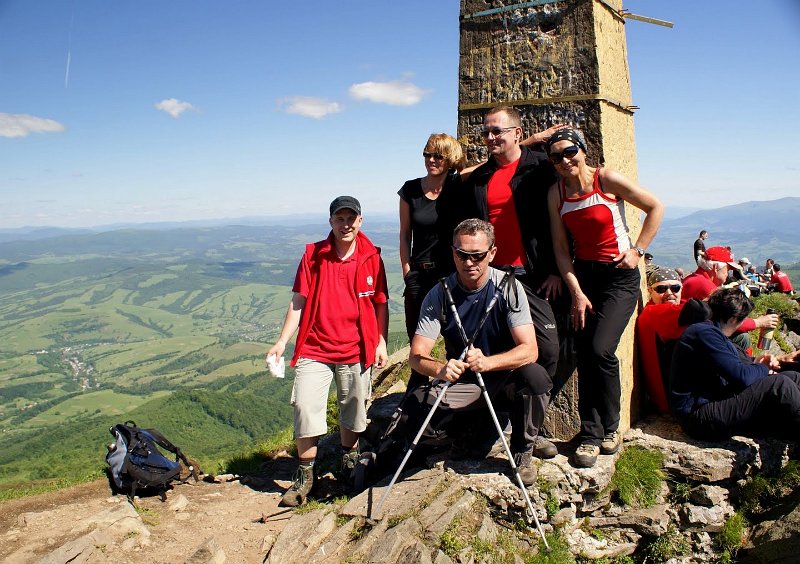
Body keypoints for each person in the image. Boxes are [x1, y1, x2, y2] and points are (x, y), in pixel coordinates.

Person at [546, 127, 664, 468]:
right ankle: (590, 434)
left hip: (619, 278)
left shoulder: (605, 180)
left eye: (570, 151)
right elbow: (560, 249)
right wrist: (576, 292)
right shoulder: (556, 193)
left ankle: (610, 429)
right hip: (584, 277)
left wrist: (638, 250)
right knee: (585, 352)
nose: (565, 160)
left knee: (601, 349)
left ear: (583, 150)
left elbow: (655, 206)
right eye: (556, 157)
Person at [407, 219, 556, 485]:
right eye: (462, 254)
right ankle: (475, 430)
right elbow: (416, 356)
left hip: (505, 378)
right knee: (418, 419)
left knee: (535, 378)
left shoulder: (508, 287)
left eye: (477, 255)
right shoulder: (440, 293)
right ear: (453, 253)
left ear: (492, 253)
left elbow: (530, 350)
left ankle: (522, 449)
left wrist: (488, 363)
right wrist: (440, 369)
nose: (469, 262)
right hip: (465, 381)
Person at [267, 196, 389, 506]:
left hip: (356, 348)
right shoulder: (313, 255)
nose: (346, 224)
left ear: (360, 221)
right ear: (331, 221)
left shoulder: (371, 257)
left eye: (351, 218)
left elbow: (380, 303)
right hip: (315, 347)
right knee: (305, 406)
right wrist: (282, 341)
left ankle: (349, 463)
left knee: (353, 407)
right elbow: (298, 301)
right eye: (340, 218)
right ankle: (305, 476)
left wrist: (381, 342)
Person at [455, 106, 564, 380]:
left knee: (548, 349)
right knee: (490, 347)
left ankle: (536, 400)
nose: (490, 137)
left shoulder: (541, 168)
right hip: (493, 275)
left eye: (497, 131)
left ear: (517, 133)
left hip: (533, 276)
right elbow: (457, 184)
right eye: (486, 132)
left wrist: (555, 270)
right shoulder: (480, 177)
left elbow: (561, 221)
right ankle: (503, 403)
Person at [670, 287, 800, 441]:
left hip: (714, 401)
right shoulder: (705, 334)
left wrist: (760, 362)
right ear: (733, 319)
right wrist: (763, 367)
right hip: (698, 417)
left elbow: (734, 363)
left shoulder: (710, 331)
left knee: (794, 377)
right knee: (779, 385)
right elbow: (742, 376)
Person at [399, 134, 466, 392]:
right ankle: (416, 396)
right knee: (416, 338)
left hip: (451, 273)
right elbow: (405, 234)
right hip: (419, 272)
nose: (431, 160)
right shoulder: (410, 190)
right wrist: (407, 271)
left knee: (455, 335)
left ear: (450, 159)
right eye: (427, 154)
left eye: (438, 155)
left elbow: (493, 163)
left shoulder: (457, 185)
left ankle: (456, 391)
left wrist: (532, 140)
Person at [681, 246, 777, 351]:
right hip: (691, 339)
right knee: (742, 338)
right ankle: (745, 361)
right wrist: (758, 322)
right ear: (716, 268)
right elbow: (728, 321)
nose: (728, 274)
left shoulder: (696, 279)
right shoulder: (705, 286)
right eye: (727, 269)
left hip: (688, 334)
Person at [636, 268, 689, 414]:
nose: (669, 293)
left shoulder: (664, 309)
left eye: (675, 288)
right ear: (649, 291)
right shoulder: (654, 312)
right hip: (671, 401)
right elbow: (702, 311)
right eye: (661, 289)